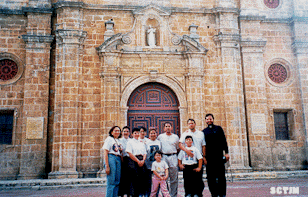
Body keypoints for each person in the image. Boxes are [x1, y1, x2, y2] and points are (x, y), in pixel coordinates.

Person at [202, 113, 230, 197]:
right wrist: (204, 157)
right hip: (209, 157)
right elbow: (203, 145)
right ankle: (213, 193)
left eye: (210, 119)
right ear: (205, 120)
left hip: (219, 156)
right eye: (207, 119)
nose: (209, 120)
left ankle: (222, 194)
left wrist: (226, 152)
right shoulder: (204, 131)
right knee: (210, 177)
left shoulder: (219, 129)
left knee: (221, 176)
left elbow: (223, 140)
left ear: (213, 119)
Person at [179, 119, 205, 196]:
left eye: (192, 123)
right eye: (189, 123)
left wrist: (204, 156)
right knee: (187, 180)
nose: (191, 124)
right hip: (187, 161)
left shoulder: (201, 133)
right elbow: (180, 144)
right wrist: (187, 151)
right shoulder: (185, 134)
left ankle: (198, 193)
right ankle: (188, 193)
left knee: (198, 179)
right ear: (187, 125)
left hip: (198, 159)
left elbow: (203, 145)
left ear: (195, 124)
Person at [157, 122, 179, 197]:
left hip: (173, 156)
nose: (168, 128)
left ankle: (173, 195)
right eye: (166, 126)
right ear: (164, 128)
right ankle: (165, 194)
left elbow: (178, 148)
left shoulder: (175, 137)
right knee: (164, 177)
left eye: (169, 126)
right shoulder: (160, 137)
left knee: (174, 178)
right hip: (164, 157)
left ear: (171, 127)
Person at [126, 128, 148, 197]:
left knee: (141, 179)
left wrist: (143, 160)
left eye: (138, 133)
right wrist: (138, 161)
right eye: (135, 133)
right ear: (132, 134)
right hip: (133, 161)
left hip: (141, 161)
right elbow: (130, 153)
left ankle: (141, 194)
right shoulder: (130, 142)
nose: (137, 134)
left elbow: (145, 153)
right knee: (134, 180)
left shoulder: (141, 142)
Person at [103, 126, 122, 197]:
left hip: (118, 159)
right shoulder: (109, 139)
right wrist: (107, 166)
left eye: (118, 131)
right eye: (115, 130)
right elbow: (105, 151)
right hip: (111, 158)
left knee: (117, 181)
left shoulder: (118, 140)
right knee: (111, 181)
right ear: (112, 132)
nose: (117, 132)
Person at [145, 128, 162, 196]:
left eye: (154, 133)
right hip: (148, 164)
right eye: (151, 133)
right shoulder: (146, 142)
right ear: (149, 134)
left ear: (156, 134)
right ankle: (148, 194)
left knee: (157, 181)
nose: (153, 135)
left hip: (157, 165)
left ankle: (156, 194)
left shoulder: (159, 142)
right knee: (148, 181)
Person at [118, 126, 131, 197]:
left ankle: (129, 193)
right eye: (124, 131)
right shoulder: (119, 141)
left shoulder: (131, 140)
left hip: (129, 160)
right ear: (122, 133)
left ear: (129, 133)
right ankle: (122, 194)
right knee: (122, 177)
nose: (125, 133)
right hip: (122, 160)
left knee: (129, 177)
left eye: (127, 131)